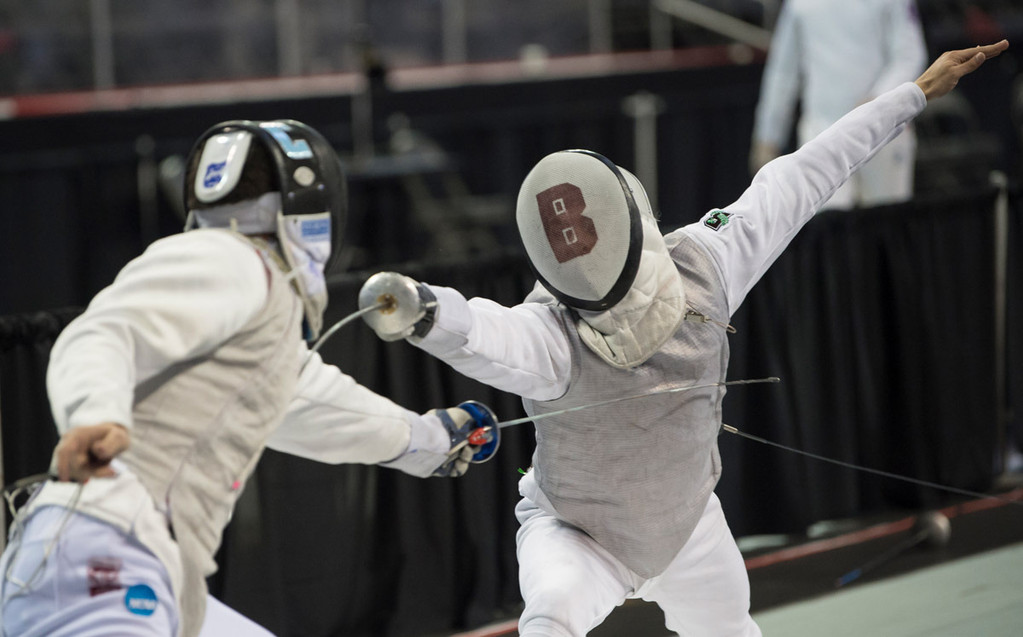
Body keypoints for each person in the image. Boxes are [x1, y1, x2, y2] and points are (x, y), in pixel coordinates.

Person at [358, 41, 1009, 636]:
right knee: (550, 616)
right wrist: (421, 308)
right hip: (578, 533)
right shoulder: (550, 331)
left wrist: (912, 94)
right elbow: (482, 329)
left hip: (690, 528)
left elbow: (802, 176)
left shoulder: (704, 260)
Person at [0, 119, 498, 637]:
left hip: (122, 560)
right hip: (106, 558)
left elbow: (315, 404)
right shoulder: (229, 259)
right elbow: (99, 333)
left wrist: (432, 440)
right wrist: (93, 417)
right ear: (310, 210)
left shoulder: (258, 303)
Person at [750, 0, 929, 210]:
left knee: (887, 228)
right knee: (828, 229)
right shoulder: (799, 4)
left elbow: (909, 55)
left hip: (884, 131)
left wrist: (879, 100)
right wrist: (768, 136)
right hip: (822, 133)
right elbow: (783, 72)